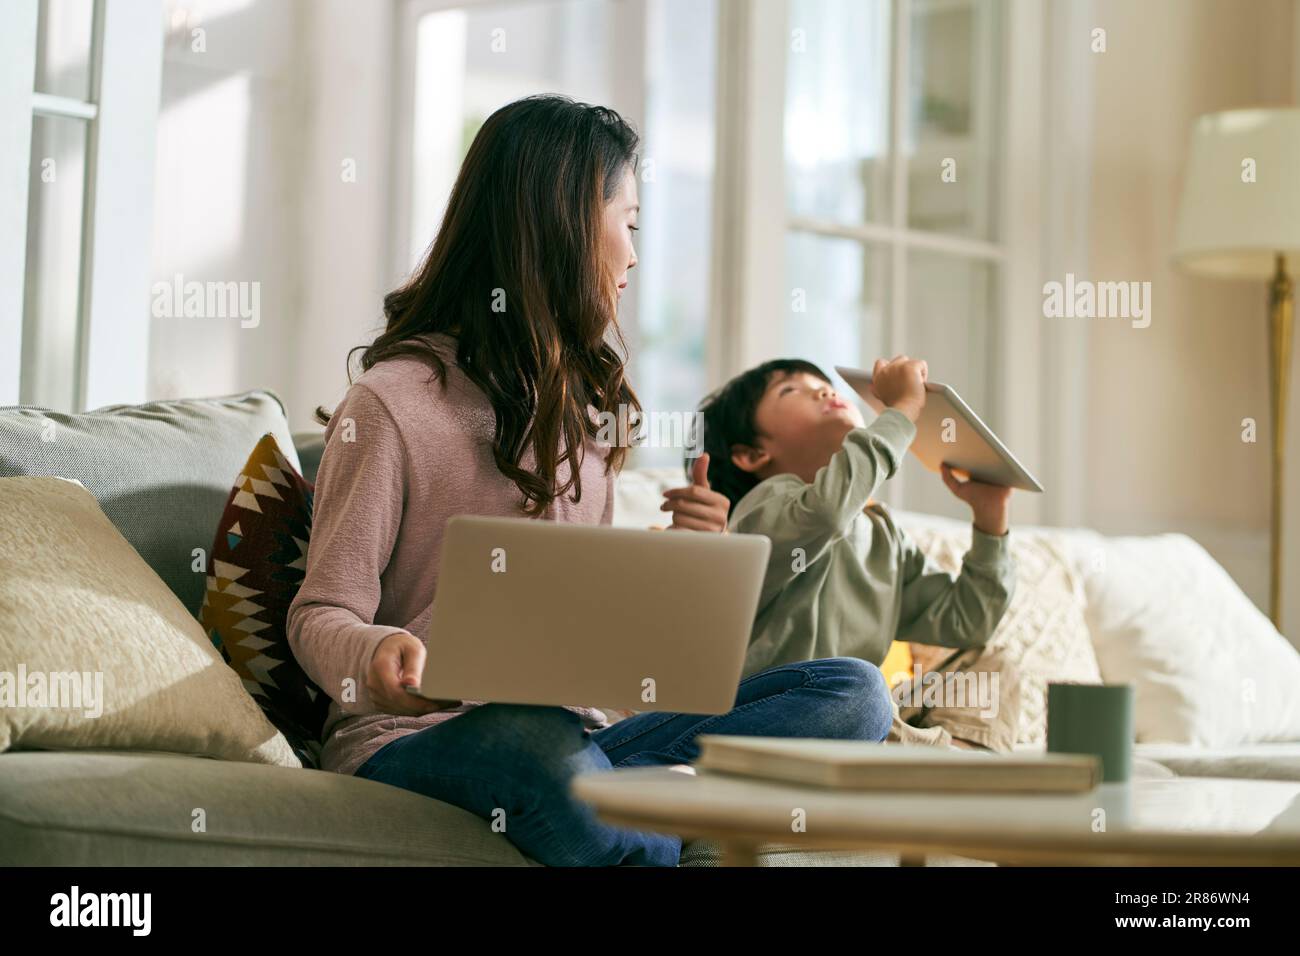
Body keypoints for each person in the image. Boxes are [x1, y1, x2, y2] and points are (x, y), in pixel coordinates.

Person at [286, 95, 895, 867]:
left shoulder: (581, 420)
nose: (635, 257)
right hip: (426, 738)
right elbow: (322, 611)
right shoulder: (390, 404)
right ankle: (667, 809)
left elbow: (579, 641)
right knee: (530, 738)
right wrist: (377, 655)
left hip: (587, 737)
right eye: (629, 224)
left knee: (854, 693)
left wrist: (677, 569)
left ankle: (641, 804)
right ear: (567, 225)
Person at [694, 355, 1017, 680]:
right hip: (784, 707)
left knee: (994, 663)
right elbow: (827, 512)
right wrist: (902, 409)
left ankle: (937, 734)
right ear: (751, 455)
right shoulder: (758, 511)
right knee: (861, 681)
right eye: (790, 390)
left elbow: (967, 620)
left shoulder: (881, 532)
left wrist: (990, 518)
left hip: (863, 712)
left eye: (824, 385)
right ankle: (910, 731)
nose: (823, 392)